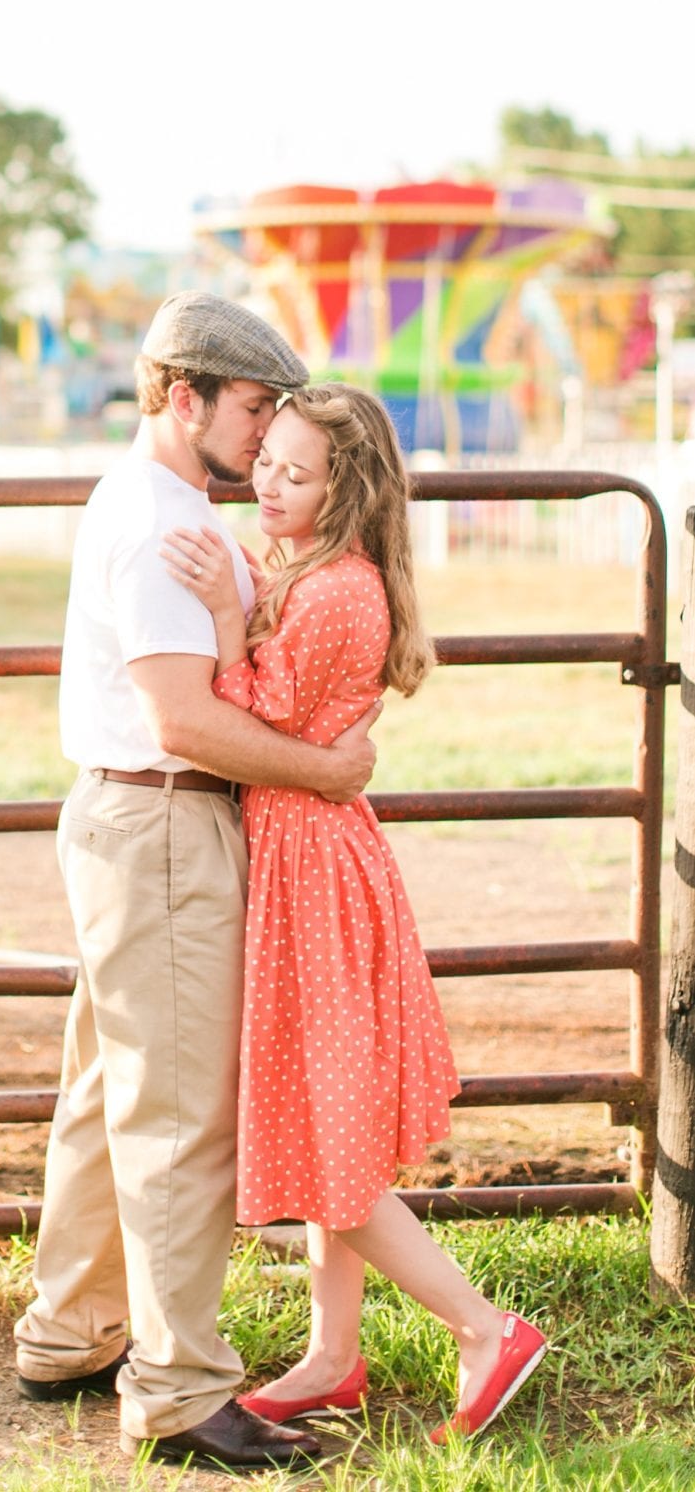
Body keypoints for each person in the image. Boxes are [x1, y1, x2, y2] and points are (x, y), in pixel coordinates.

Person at [13, 294, 382, 1474]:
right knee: (176, 1118)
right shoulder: (159, 526)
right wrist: (327, 770)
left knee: (104, 1089)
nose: (267, 433)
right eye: (253, 407)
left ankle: (70, 1330)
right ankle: (178, 1393)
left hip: (130, 821)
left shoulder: (158, 509)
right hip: (166, 821)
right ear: (185, 397)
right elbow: (187, 719)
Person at [161, 381, 548, 1445]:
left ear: (347, 490)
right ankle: (333, 1357)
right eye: (266, 462)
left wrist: (227, 615)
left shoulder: (336, 590)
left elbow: (245, 714)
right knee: (332, 1128)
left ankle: (482, 1329)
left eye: (297, 473)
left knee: (329, 1142)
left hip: (312, 873)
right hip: (307, 855)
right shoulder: (311, 572)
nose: (267, 485)